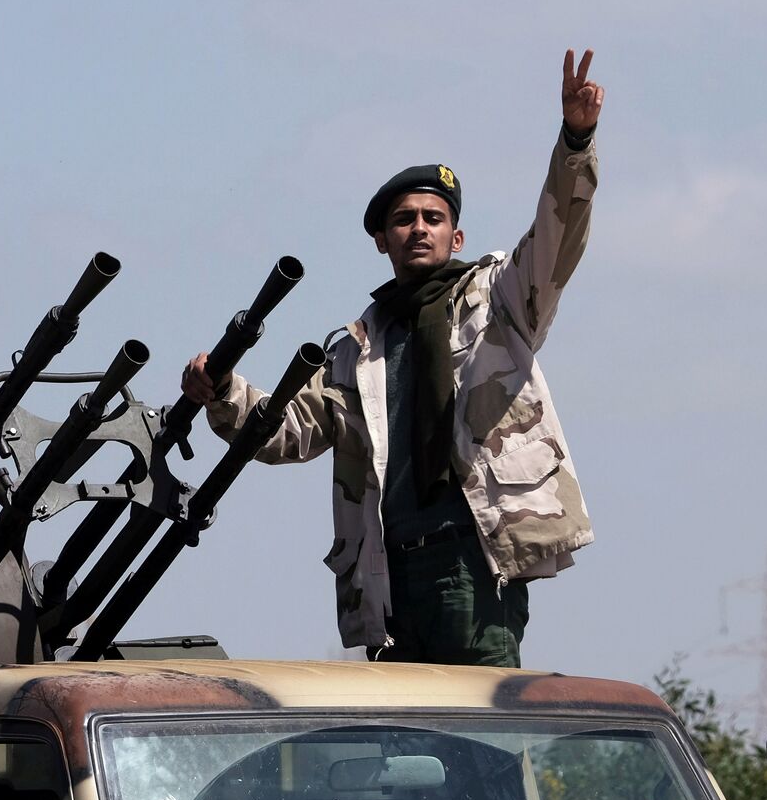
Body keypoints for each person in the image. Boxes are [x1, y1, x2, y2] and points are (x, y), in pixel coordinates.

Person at [181, 50, 605, 668]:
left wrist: (575, 142)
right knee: (403, 725)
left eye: (434, 218)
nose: (419, 228)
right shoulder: (358, 348)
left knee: (482, 720)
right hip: (390, 573)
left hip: (473, 559)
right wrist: (220, 390)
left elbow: (557, 236)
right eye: (404, 220)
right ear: (382, 241)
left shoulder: (499, 303)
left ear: (457, 236)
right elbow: (286, 429)